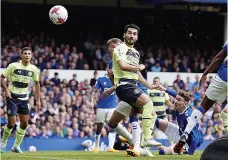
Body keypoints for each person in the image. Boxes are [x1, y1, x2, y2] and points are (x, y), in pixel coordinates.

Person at [107, 24, 157, 157]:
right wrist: (139, 67)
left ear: (137, 37)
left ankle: (137, 145)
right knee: (148, 105)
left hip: (131, 87)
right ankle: (144, 141)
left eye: (134, 34)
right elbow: (123, 66)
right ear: (124, 35)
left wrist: (149, 85)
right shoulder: (120, 48)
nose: (132, 35)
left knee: (116, 121)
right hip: (125, 87)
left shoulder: (135, 53)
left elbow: (136, 75)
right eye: (129, 33)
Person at [174, 41, 228, 153]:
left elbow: (219, 57)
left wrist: (205, 73)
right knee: (225, 113)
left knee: (203, 107)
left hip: (223, 76)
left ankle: (185, 134)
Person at [0, 47, 41, 153]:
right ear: (21, 55)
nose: (27, 55)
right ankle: (3, 143)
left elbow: (37, 84)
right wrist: (6, 90)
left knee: (24, 123)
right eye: (25, 53)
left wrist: (38, 100)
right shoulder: (13, 66)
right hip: (12, 97)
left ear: (31, 56)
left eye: (29, 54)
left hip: (24, 99)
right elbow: (1, 77)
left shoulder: (34, 69)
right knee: (11, 123)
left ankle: (16, 146)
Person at [156, 85, 203, 155]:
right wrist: (165, 89)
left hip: (188, 143)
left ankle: (182, 150)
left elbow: (195, 138)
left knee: (162, 152)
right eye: (176, 99)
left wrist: (190, 153)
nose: (175, 101)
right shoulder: (180, 106)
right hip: (179, 133)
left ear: (185, 103)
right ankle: (143, 145)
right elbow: (176, 95)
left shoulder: (189, 117)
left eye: (178, 100)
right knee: (156, 121)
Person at [91, 70, 118, 153]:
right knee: (99, 127)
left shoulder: (117, 79)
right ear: (108, 69)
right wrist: (92, 100)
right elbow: (94, 90)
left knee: (112, 125)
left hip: (112, 107)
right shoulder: (101, 79)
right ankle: (96, 146)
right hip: (101, 107)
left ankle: (110, 147)